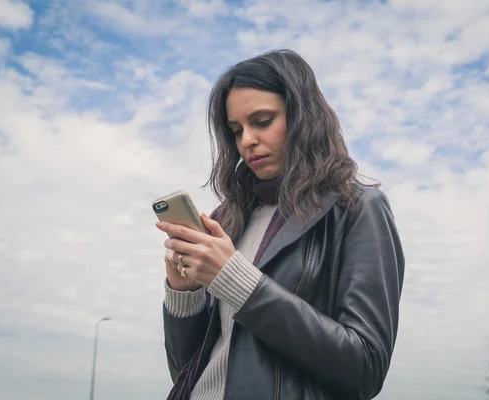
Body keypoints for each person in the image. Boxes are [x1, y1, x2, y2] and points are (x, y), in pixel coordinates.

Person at [155, 49, 405, 400]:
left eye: (262, 121)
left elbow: (365, 367)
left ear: (304, 117)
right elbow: (188, 370)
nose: (246, 141)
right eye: (236, 129)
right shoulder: (225, 221)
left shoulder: (358, 209)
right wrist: (185, 294)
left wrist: (234, 278)